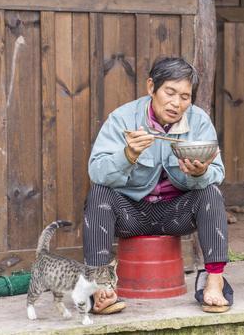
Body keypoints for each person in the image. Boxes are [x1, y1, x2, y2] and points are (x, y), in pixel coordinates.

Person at [83, 56, 230, 314]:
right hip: (130, 213)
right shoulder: (123, 118)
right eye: (170, 92)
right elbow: (97, 171)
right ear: (152, 87)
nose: (176, 103)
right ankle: (100, 286)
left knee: (210, 192)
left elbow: (218, 172)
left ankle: (214, 281)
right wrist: (127, 155)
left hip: (176, 214)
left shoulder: (199, 121)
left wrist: (200, 174)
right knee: (98, 193)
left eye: (185, 96)